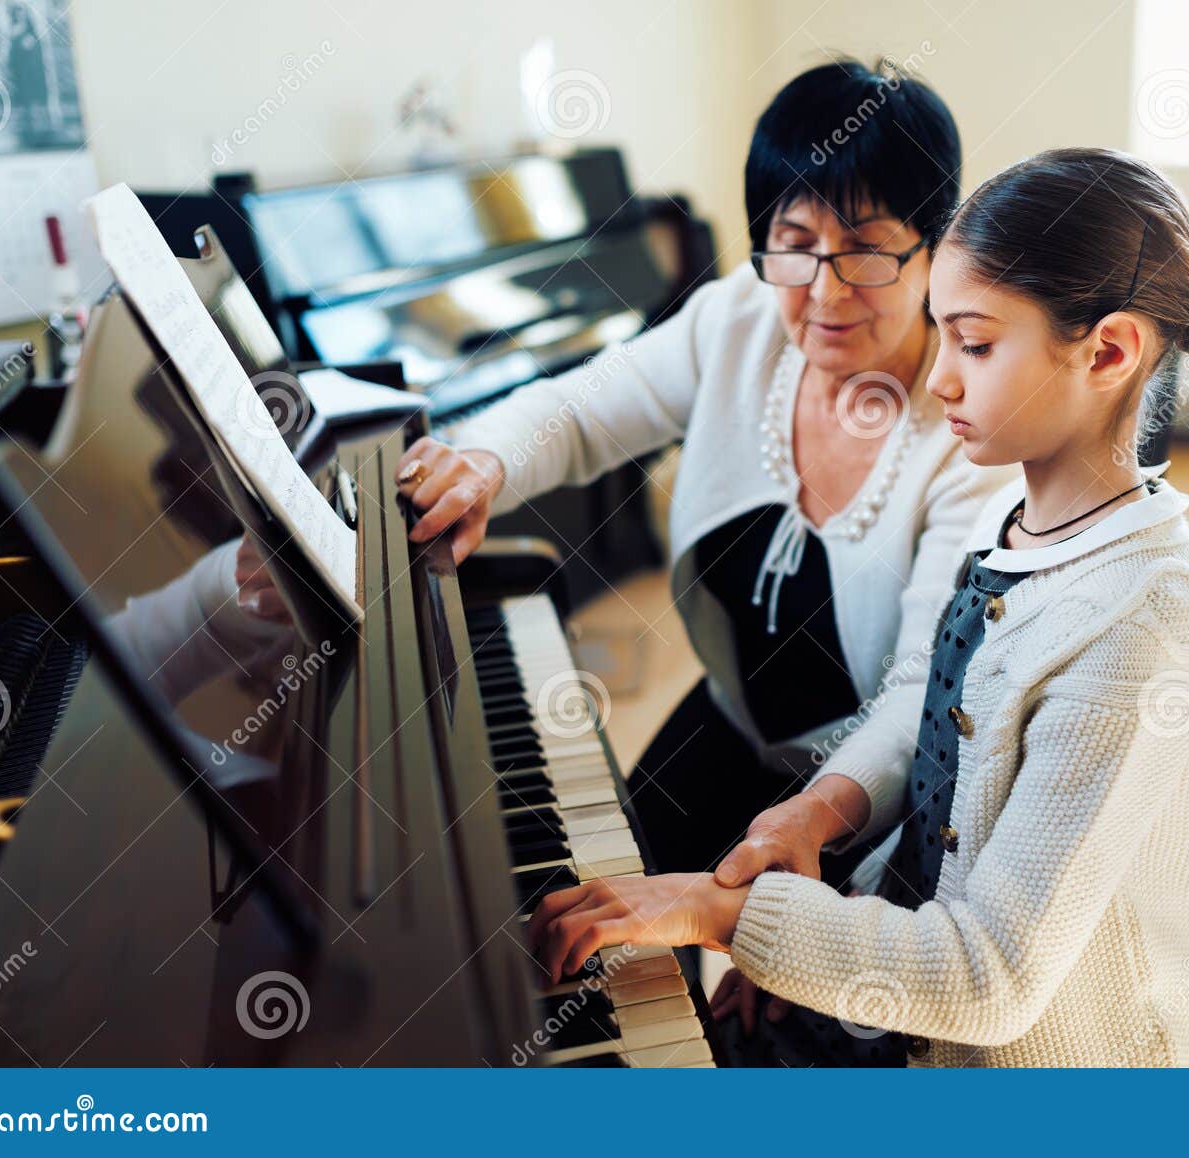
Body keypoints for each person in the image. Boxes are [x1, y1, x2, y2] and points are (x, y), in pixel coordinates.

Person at [526, 147, 1189, 1067]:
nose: (939, 377)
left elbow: (990, 978)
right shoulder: (1023, 530)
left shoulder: (1140, 621)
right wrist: (823, 812)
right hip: (912, 987)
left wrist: (728, 917)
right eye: (942, 336)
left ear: (1107, 351)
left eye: (976, 345)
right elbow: (935, 719)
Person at [396, 59, 1009, 884]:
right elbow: (580, 409)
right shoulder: (739, 320)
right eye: (794, 246)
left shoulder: (970, 431)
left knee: (777, 995)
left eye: (865, 251)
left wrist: (809, 835)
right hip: (735, 721)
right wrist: (481, 461)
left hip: (880, 789)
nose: (823, 291)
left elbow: (918, 700)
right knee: (609, 895)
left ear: (935, 251)